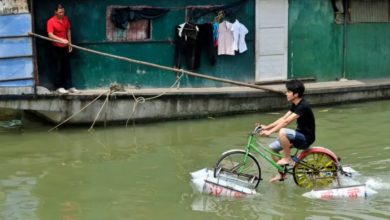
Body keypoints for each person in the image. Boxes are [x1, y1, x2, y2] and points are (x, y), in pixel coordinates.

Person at [258, 80, 315, 182]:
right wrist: (267, 127)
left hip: (306, 138)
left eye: (288, 91)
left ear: (296, 94)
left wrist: (270, 132)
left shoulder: (303, 106)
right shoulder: (295, 104)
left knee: (283, 131)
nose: (286, 93)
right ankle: (281, 174)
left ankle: (287, 158)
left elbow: (286, 122)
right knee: (272, 148)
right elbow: (283, 119)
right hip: (298, 135)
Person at [47, 4, 79, 94]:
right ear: (55, 12)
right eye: (60, 12)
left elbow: (68, 30)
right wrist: (61, 40)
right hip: (56, 47)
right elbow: (50, 34)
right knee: (58, 67)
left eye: (63, 12)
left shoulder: (65, 19)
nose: (62, 14)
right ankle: (59, 87)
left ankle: (69, 87)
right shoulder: (51, 21)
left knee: (67, 67)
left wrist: (70, 43)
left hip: (65, 46)